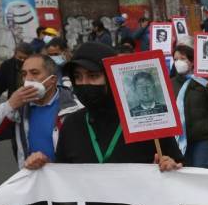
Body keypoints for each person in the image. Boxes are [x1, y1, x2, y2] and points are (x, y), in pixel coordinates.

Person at [28, 42, 183, 169]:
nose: (84, 84)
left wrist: (171, 166)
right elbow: (63, 179)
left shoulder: (147, 122)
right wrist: (45, 168)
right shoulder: (71, 124)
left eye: (93, 76)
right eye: (78, 77)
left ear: (111, 79)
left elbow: (181, 168)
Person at [0, 53, 81, 166]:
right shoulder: (18, 108)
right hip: (32, 177)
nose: (28, 79)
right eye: (24, 74)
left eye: (35, 73)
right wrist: (10, 105)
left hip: (64, 178)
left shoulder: (73, 107)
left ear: (52, 79)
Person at [171, 44, 208, 168]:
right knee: (185, 170)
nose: (178, 62)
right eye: (175, 59)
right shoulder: (171, 83)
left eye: (182, 59)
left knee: (200, 169)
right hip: (181, 138)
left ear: (192, 62)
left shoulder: (206, 80)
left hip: (203, 136)